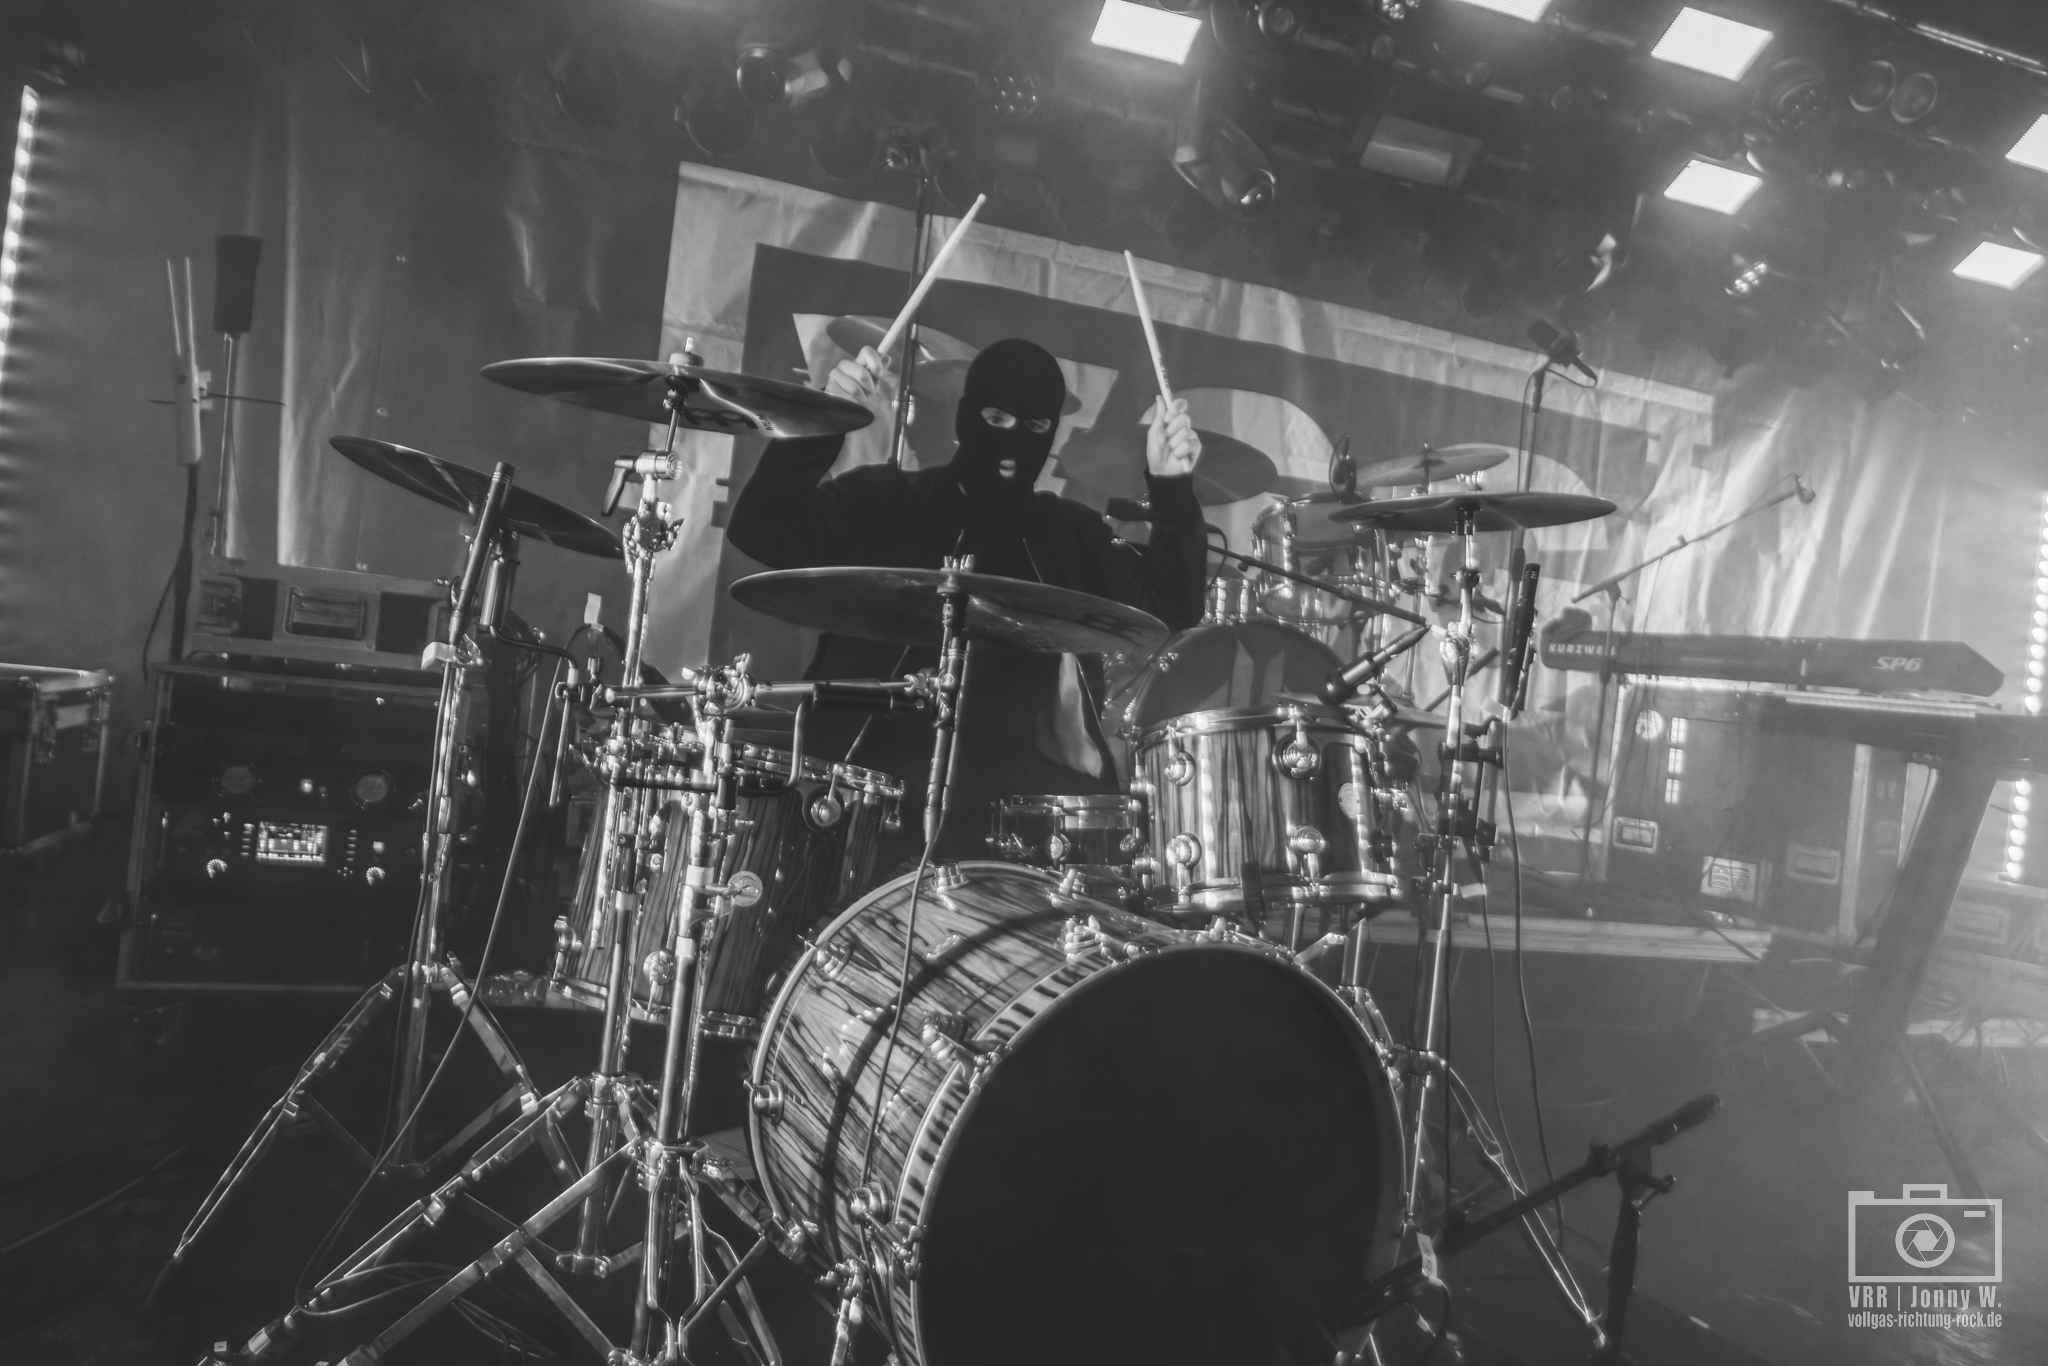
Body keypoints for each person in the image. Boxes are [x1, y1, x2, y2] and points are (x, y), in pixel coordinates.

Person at [725, 336, 1207, 864]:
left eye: (1035, 427)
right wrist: (820, 422)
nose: (1012, 443)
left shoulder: (1070, 532)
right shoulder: (882, 500)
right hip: (857, 796)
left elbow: (1172, 606)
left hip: (1017, 825)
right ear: (964, 417)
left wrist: (1172, 486)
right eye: (996, 419)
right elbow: (761, 530)